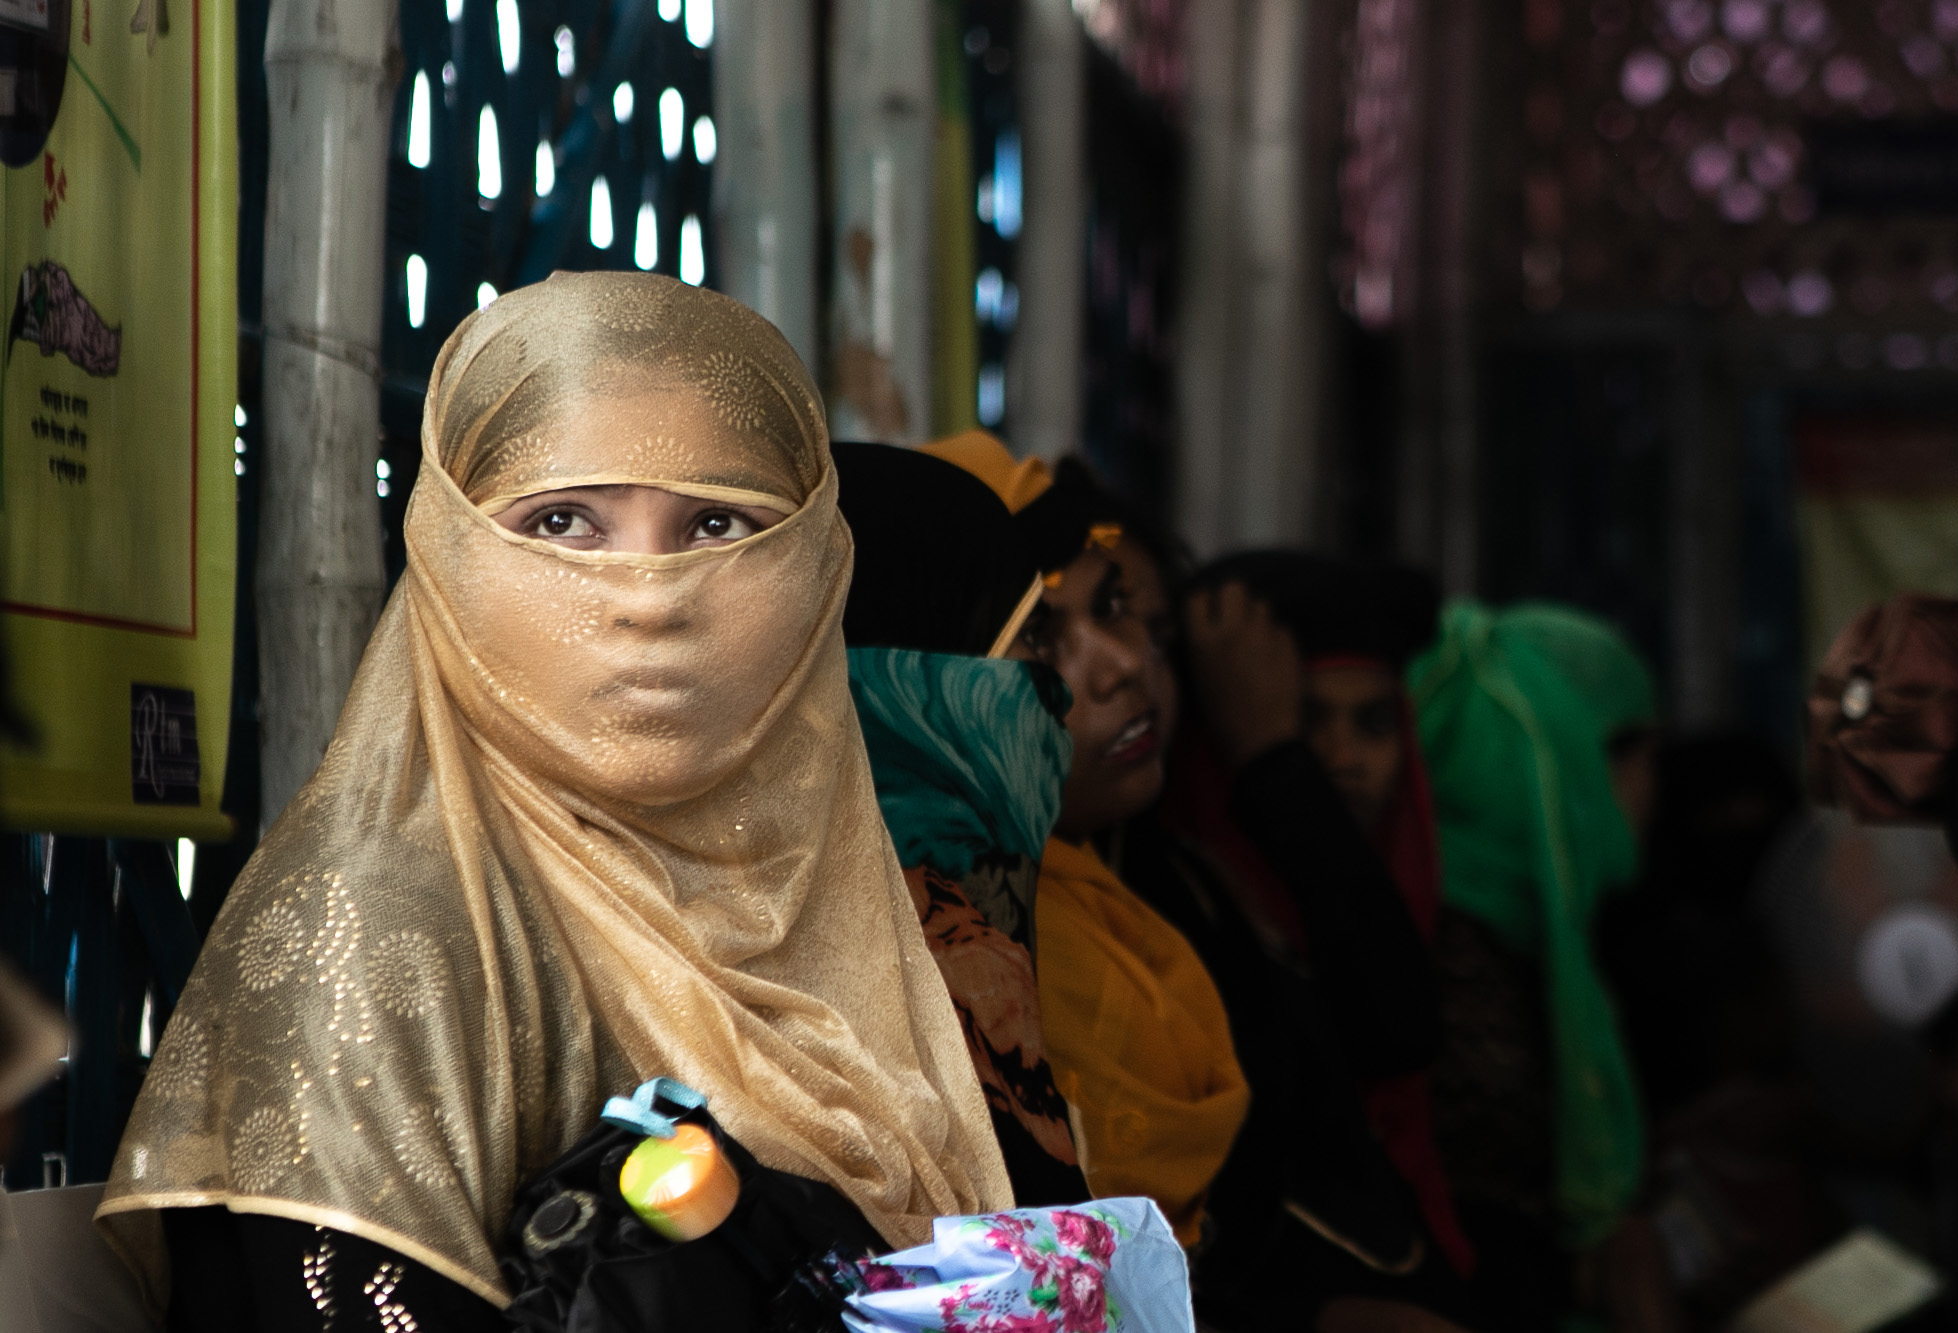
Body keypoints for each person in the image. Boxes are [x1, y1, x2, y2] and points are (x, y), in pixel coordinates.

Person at [94, 274, 1011, 1329]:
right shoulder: (369, 922)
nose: (647, 596)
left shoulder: (805, 904)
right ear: (449, 553)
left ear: (814, 568)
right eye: (565, 521)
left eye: (715, 524)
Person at [927, 435, 1470, 1333]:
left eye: (1130, 615)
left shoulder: (1163, 886)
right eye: (1041, 638)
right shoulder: (974, 942)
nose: (1128, 664)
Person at [1176, 552, 1472, 1282]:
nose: (1344, 759)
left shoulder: (1425, 916)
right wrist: (1275, 766)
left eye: (1373, 723)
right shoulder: (1192, 920)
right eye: (1308, 722)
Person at [831, 440, 1088, 1207]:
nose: (1063, 697)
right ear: (919, 689)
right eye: (1033, 643)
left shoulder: (970, 941)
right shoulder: (838, 992)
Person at [1412, 601, 1673, 1332]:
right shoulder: (1452, 986)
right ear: (1571, 758)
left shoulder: (1518, 946)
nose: (1656, 790)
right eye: (1645, 754)